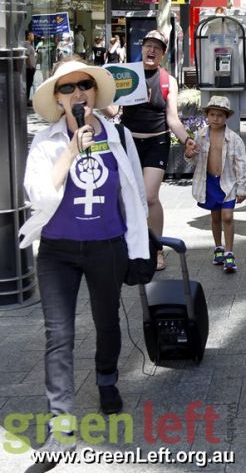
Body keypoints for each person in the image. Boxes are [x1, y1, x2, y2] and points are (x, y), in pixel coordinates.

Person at [19, 58, 148, 462]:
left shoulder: (118, 136)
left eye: (84, 86)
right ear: (57, 99)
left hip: (106, 246)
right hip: (57, 252)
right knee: (57, 335)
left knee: (107, 320)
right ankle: (61, 425)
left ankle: (107, 378)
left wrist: (141, 249)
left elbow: (134, 197)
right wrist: (72, 150)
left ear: (95, 93)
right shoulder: (45, 143)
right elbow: (39, 195)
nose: (78, 94)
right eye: (68, 88)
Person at [114, 30, 196, 271]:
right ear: (142, 48)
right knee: (127, 197)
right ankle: (130, 246)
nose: (151, 50)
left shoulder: (167, 80)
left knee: (149, 197)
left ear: (163, 54)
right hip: (128, 142)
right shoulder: (127, 74)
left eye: (157, 48)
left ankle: (156, 249)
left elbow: (173, 119)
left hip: (156, 142)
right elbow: (111, 110)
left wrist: (186, 140)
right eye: (148, 45)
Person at [184, 96, 246, 273]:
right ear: (207, 115)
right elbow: (194, 160)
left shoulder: (234, 139)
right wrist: (189, 154)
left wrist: (242, 187)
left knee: (227, 216)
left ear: (226, 117)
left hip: (228, 183)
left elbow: (241, 163)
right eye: (212, 114)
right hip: (209, 182)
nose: (215, 118)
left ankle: (229, 252)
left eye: (220, 115)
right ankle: (218, 247)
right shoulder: (201, 135)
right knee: (215, 217)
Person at [24, 30, 37, 106]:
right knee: (28, 84)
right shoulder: (27, 44)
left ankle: (27, 99)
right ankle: (26, 100)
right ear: (28, 35)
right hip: (29, 68)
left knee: (29, 84)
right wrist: (30, 66)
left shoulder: (29, 45)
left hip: (30, 68)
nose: (33, 36)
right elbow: (27, 56)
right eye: (32, 35)